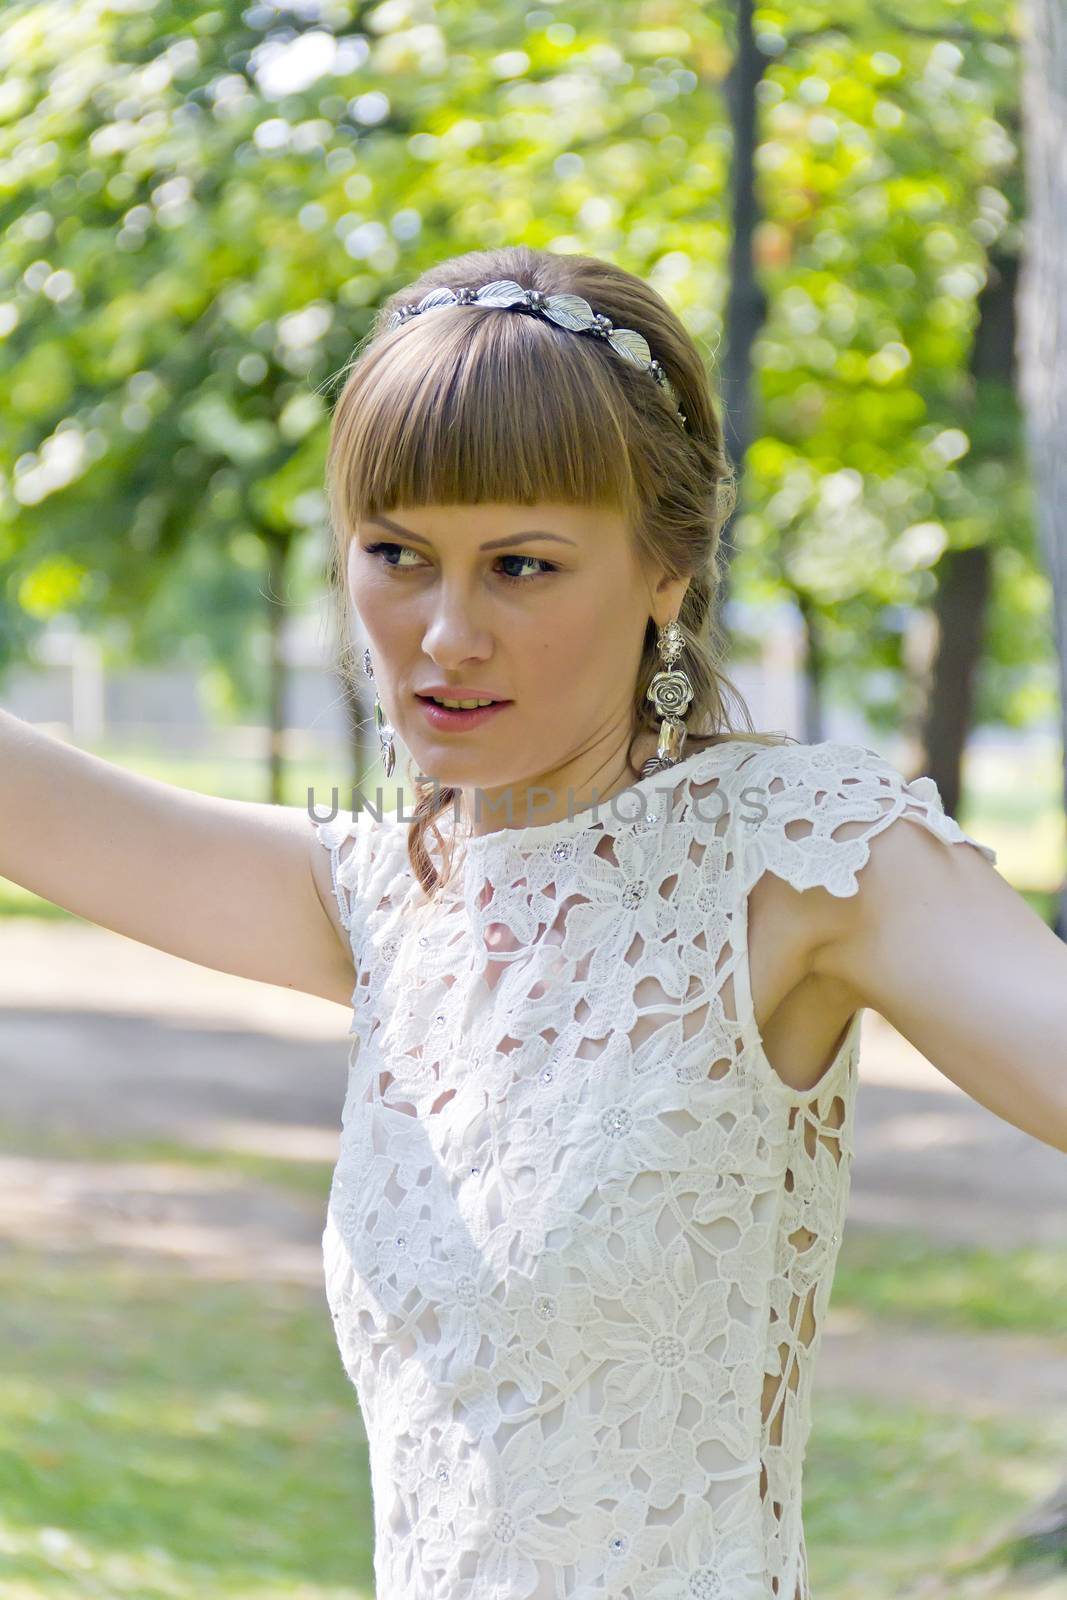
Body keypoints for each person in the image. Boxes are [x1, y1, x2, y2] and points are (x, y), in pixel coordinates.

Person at [3, 244, 1064, 1600]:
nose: (445, 634)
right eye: (397, 555)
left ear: (665, 576)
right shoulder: (383, 898)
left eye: (521, 566)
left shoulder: (802, 855)